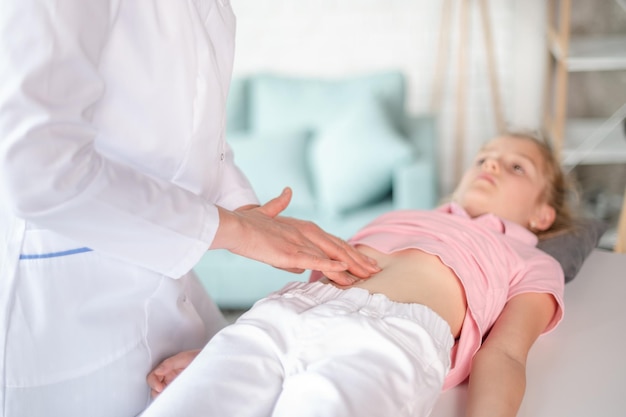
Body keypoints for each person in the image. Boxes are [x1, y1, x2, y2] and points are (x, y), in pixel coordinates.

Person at [0, 2, 379, 417]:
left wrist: (246, 210)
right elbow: (38, 169)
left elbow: (193, 139)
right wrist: (240, 231)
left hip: (163, 286)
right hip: (70, 309)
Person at [142, 133, 577, 417]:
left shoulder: (530, 260)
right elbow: (323, 278)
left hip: (389, 338)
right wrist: (217, 351)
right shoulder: (405, 216)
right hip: (286, 313)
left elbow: (504, 354)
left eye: (517, 166)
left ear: (543, 214)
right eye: (485, 157)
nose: (493, 165)